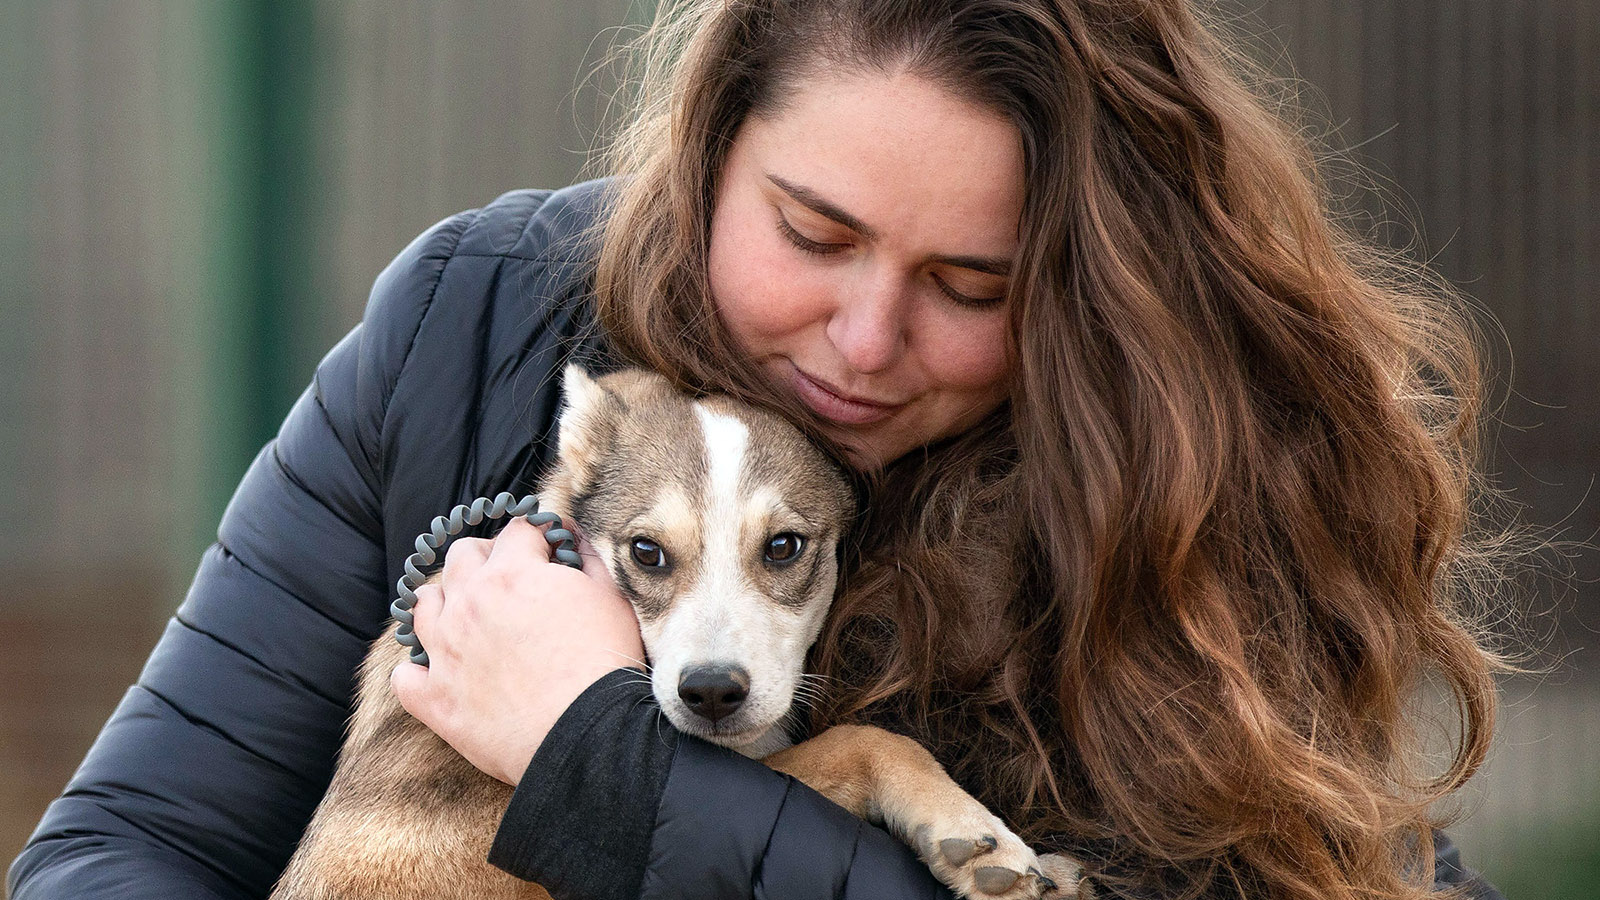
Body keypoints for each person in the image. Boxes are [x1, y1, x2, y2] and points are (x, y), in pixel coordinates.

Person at [8, 2, 1512, 899]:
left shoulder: (1186, 503)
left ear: (1087, 290)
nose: (865, 340)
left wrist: (602, 761)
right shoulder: (480, 323)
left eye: (969, 287)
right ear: (713, 149)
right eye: (814, 233)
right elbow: (125, 845)